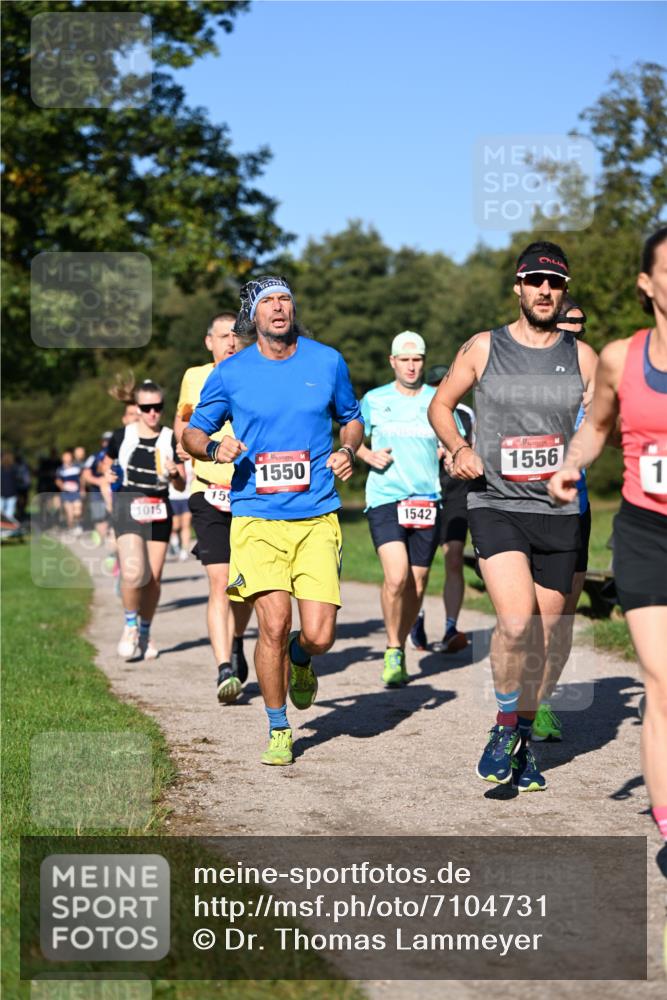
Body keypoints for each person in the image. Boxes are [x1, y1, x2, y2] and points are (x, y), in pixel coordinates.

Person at [428, 241, 597, 792]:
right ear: (518, 287)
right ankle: (504, 726)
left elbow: (602, 424)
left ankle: (523, 739)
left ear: (563, 291)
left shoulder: (584, 357)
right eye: (536, 280)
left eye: (555, 282)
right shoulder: (484, 347)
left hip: (559, 511)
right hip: (495, 501)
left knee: (543, 638)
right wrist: (458, 448)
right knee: (517, 622)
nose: (545, 290)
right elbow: (440, 404)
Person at [183, 276, 363, 765]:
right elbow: (193, 434)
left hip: (316, 515)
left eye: (285, 299)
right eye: (269, 303)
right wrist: (216, 446)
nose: (279, 308)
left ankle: (302, 658)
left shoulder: (326, 360)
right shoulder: (232, 371)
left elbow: (351, 416)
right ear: (252, 317)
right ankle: (279, 726)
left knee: (320, 634)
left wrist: (347, 448)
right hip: (256, 516)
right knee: (273, 623)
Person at [549, 227, 667, 870]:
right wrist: (571, 464)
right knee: (662, 678)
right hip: (648, 534)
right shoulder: (623, 358)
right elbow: (596, 427)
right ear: (647, 284)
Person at [174, 312, 254, 703]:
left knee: (244, 589)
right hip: (207, 490)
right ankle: (224, 667)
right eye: (223, 336)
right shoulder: (195, 376)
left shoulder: (258, 373)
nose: (231, 343)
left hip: (249, 491)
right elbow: (183, 423)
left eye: (236, 337)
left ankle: (237, 640)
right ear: (209, 341)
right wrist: (180, 448)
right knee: (219, 583)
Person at [357, 332, 441, 685]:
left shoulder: (438, 400)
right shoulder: (375, 400)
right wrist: (365, 454)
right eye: (404, 359)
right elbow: (352, 439)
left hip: (427, 499)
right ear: (392, 361)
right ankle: (392, 647)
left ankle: (401, 643)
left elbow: (454, 440)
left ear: (423, 361)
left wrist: (449, 452)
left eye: (417, 359)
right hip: (386, 496)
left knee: (417, 584)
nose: (411, 366)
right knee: (396, 576)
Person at [532, 297, 592, 741]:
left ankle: (545, 699)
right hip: (524, 507)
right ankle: (522, 704)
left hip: (576, 509)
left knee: (564, 617)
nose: (573, 334)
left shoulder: (594, 380)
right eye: (566, 327)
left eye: (580, 328)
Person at [104, 378, 185, 661]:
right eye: (147, 407)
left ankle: (146, 631)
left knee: (153, 578)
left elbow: (182, 485)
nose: (152, 413)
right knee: (133, 573)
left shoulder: (169, 438)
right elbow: (108, 468)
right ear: (136, 408)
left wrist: (175, 473)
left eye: (158, 407)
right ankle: (129, 626)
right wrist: (111, 479)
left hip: (159, 507)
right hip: (128, 505)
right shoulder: (120, 436)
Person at [409, 363, 475, 654]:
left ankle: (450, 626)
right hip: (423, 492)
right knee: (419, 568)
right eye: (435, 386)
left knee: (454, 558)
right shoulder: (417, 412)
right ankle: (416, 617)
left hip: (457, 494)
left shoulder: (466, 414)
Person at [82, 431, 113, 546]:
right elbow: (86, 474)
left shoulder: (120, 454)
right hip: (97, 492)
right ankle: (101, 536)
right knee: (100, 517)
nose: (108, 443)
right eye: (106, 441)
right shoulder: (94, 457)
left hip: (114, 490)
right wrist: (99, 481)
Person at [168, 459, 194, 561]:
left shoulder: (191, 461)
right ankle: (174, 543)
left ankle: (184, 551)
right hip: (173, 496)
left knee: (186, 524)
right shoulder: (172, 460)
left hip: (187, 496)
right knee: (175, 526)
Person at [55, 448, 84, 534]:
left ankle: (78, 526)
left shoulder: (77, 467)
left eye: (68, 457)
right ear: (63, 459)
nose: (67, 459)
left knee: (78, 511)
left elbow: (82, 478)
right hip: (66, 494)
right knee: (70, 515)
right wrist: (63, 486)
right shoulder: (60, 469)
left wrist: (82, 488)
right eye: (65, 457)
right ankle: (71, 528)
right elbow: (58, 481)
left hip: (76, 493)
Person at [1, 450, 19, 523]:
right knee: (8, 515)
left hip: (8, 494)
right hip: (8, 494)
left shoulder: (13, 470)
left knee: (7, 515)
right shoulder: (14, 470)